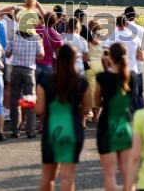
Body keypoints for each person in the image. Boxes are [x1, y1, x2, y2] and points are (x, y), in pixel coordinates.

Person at [35, 43, 91, 191]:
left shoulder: (46, 81)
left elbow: (40, 109)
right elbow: (86, 108)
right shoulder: (81, 82)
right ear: (74, 60)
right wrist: (78, 117)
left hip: (51, 129)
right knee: (68, 177)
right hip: (72, 128)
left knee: (48, 177)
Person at [96, 42, 136, 190]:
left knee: (110, 174)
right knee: (127, 172)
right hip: (125, 124)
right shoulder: (131, 77)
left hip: (107, 125)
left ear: (110, 57)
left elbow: (96, 101)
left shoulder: (103, 77)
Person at [6, 22, 44, 138]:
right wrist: (33, 56)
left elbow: (7, 54)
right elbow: (41, 55)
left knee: (15, 100)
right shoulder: (36, 38)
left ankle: (15, 130)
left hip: (16, 69)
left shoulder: (14, 37)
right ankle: (30, 130)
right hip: (29, 70)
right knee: (29, 100)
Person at [104, 15, 144, 111]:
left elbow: (105, 56)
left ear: (116, 24)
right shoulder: (135, 38)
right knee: (132, 98)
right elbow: (141, 57)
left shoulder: (111, 38)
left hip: (116, 71)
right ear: (127, 24)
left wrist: (107, 68)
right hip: (132, 70)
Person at [124, 6, 144, 109]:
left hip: (123, 67)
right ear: (135, 16)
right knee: (139, 93)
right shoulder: (141, 29)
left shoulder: (120, 30)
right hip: (137, 67)